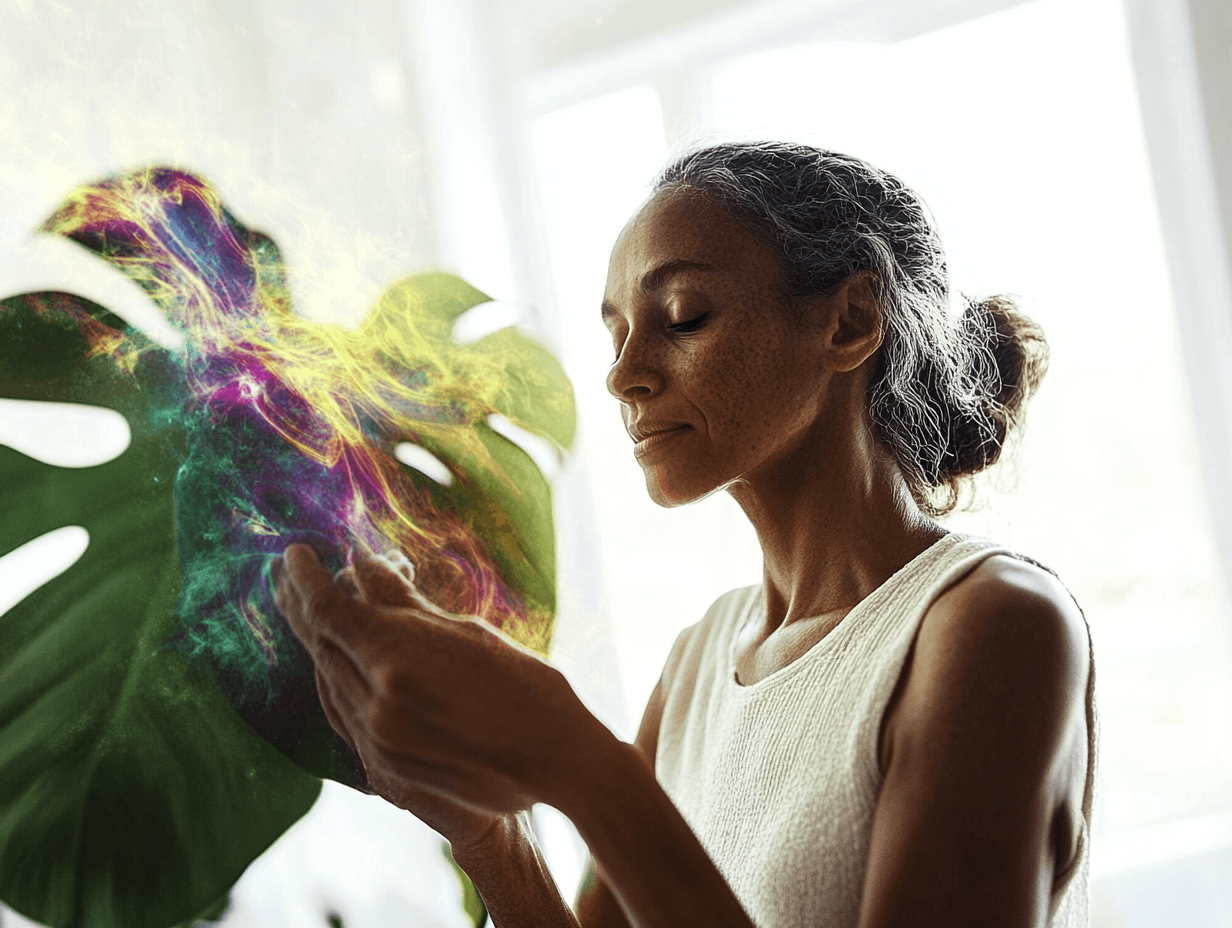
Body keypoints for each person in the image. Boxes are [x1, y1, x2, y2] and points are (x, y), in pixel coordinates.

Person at [274, 141, 1095, 928]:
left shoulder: (993, 628)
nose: (623, 373)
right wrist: (489, 834)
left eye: (682, 315)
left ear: (849, 322)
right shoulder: (700, 665)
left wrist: (581, 761)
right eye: (615, 333)